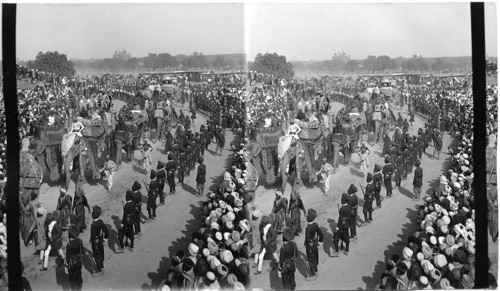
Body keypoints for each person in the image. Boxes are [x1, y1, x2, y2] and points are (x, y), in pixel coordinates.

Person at [304, 209, 323, 281]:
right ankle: (316, 271)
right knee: (315, 258)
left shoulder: (308, 228)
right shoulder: (315, 225)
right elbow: (321, 234)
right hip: (315, 244)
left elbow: (307, 239)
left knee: (311, 260)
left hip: (310, 246)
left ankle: (313, 275)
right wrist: (320, 242)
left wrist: (306, 243)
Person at [90, 205, 109, 277]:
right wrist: (106, 238)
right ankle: (102, 267)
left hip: (95, 243)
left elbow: (92, 235)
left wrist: (92, 240)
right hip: (101, 240)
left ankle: (99, 271)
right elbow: (106, 230)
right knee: (101, 254)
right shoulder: (101, 221)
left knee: (96, 257)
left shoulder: (93, 225)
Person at [66, 225, 84, 290]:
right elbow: (83, 251)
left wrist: (67, 264)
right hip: (79, 261)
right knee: (79, 276)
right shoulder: (80, 240)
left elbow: (68, 257)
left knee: (72, 279)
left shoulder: (69, 244)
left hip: (72, 263)